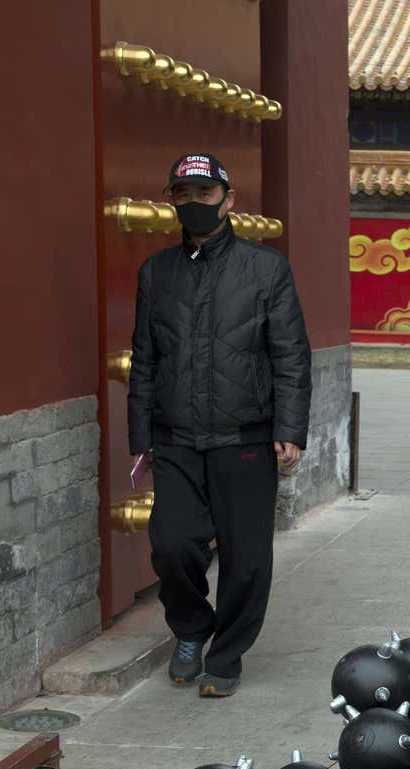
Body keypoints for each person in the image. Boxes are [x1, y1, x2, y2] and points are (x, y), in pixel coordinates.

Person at [127, 152, 311, 698]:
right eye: (183, 196)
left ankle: (226, 653)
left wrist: (291, 427)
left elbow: (290, 355)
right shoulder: (156, 273)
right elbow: (145, 359)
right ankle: (190, 628)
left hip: (246, 436)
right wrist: (142, 439)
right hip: (176, 436)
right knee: (171, 544)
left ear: (228, 200)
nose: (194, 205)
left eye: (204, 196)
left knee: (245, 557)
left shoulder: (265, 269)